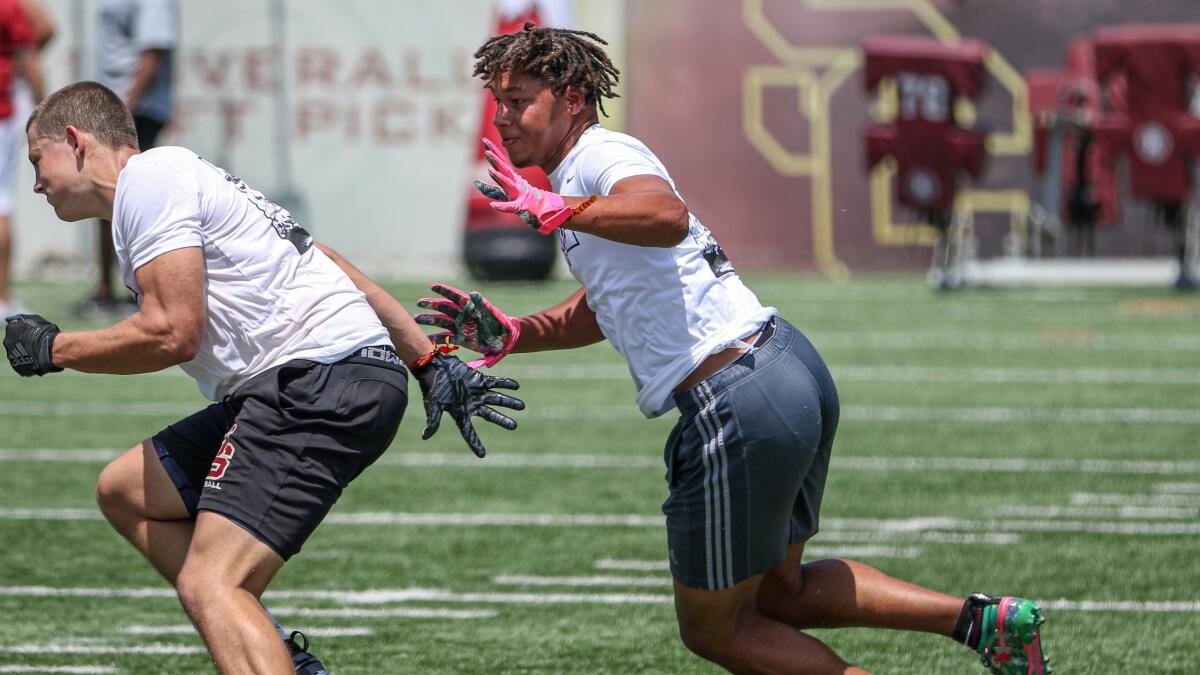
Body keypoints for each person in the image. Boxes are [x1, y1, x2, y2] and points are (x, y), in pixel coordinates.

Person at [412, 22, 1050, 675]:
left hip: (735, 399)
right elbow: (610, 303)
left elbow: (667, 217)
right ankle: (981, 621)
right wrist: (518, 332)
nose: (503, 117)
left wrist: (556, 209)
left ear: (573, 97)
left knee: (716, 628)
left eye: (518, 100)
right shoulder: (580, 179)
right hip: (783, 367)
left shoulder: (597, 162)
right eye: (499, 102)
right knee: (780, 592)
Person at [5, 81, 524, 674]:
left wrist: (55, 348)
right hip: (320, 375)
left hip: (313, 379)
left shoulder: (149, 180)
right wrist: (424, 358)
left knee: (211, 582)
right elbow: (319, 258)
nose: (37, 182)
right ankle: (276, 657)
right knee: (126, 490)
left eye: (37, 161)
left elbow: (175, 332)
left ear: (75, 141)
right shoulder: (173, 179)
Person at [79, 0, 178, 317]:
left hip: (138, 110)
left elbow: (152, 55)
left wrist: (123, 110)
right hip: (115, 105)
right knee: (104, 195)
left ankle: (147, 290)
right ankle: (108, 289)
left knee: (135, 198)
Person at [0, 0, 44, 318]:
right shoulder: (10, 7)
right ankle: (2, 299)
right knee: (1, 203)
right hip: (2, 112)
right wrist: (47, 114)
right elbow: (31, 61)